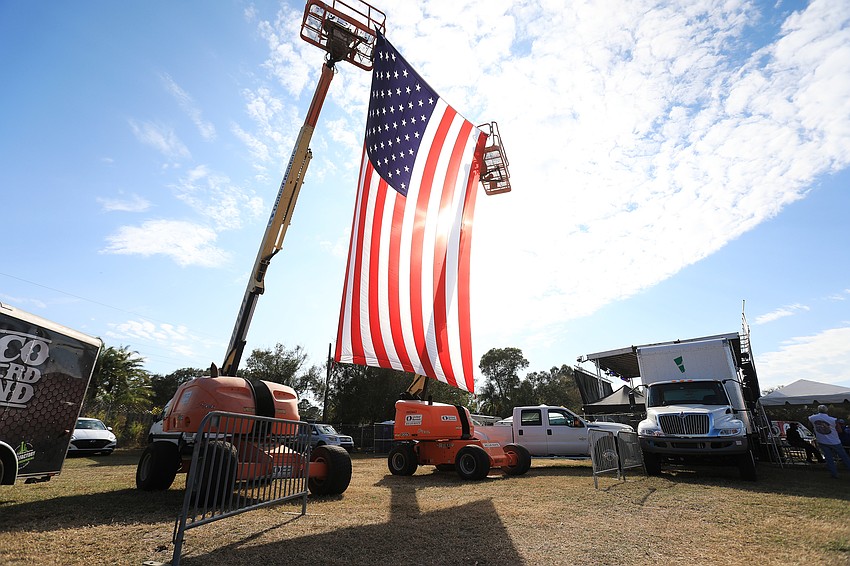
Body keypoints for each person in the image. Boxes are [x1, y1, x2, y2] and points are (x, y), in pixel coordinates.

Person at [808, 405, 850, 478]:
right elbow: (840, 430)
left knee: (829, 458)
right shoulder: (833, 420)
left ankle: (834, 474)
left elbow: (810, 425)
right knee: (844, 457)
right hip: (834, 441)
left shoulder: (812, 418)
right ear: (826, 410)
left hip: (822, 440)